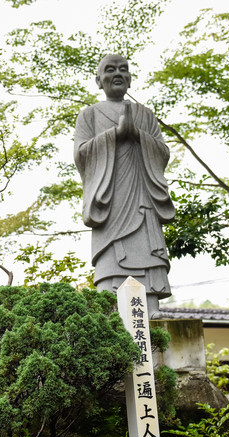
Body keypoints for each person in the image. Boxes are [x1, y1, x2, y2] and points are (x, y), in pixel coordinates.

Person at [74, 54, 175, 316]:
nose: (117, 74)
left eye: (123, 69)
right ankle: (112, 304)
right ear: (99, 80)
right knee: (113, 254)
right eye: (109, 70)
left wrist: (138, 135)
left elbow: (162, 153)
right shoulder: (89, 115)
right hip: (110, 197)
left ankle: (151, 306)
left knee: (146, 250)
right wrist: (115, 136)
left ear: (130, 78)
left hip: (142, 196)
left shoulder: (145, 114)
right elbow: (81, 154)